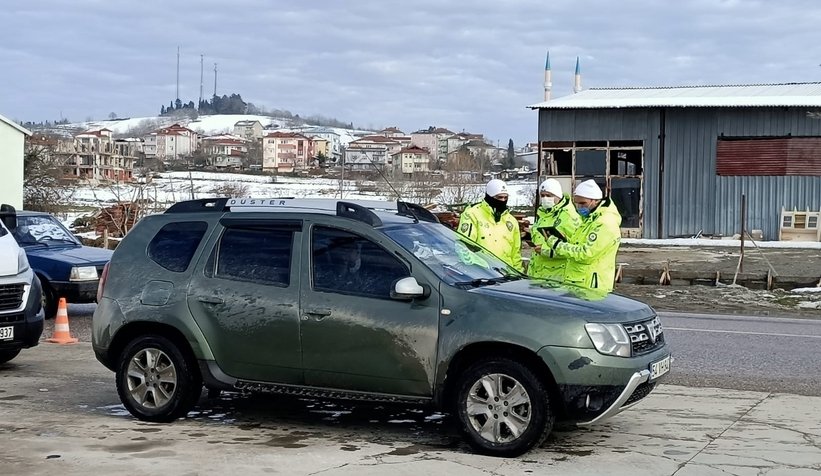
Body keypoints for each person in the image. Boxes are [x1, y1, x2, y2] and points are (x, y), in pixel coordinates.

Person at [536, 179, 622, 292]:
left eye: (583, 203)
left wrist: (556, 243)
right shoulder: (589, 220)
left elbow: (585, 253)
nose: (579, 207)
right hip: (580, 281)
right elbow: (577, 244)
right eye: (577, 203)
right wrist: (565, 239)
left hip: (591, 285)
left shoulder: (604, 223)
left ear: (595, 200)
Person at [457, 179, 523, 272]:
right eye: (499, 197)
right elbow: (463, 245)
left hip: (506, 274)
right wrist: (475, 270)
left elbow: (515, 253)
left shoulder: (511, 221)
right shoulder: (472, 214)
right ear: (490, 197)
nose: (503, 201)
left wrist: (518, 274)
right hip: (482, 273)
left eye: (505, 198)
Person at [528, 178, 581, 281]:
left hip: (557, 275)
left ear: (558, 196)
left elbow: (575, 248)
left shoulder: (569, 216)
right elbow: (540, 238)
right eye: (542, 195)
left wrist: (546, 251)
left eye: (549, 195)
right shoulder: (543, 214)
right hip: (538, 272)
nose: (545, 198)